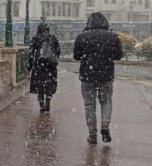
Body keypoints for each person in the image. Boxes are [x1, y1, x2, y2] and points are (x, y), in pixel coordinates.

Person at [73, 12, 123, 144]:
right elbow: (118, 56)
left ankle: (92, 133)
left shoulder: (82, 37)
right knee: (106, 101)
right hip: (106, 75)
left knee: (89, 105)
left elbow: (76, 56)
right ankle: (105, 126)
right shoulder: (112, 36)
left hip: (87, 75)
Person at [27, 22, 61, 113]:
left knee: (40, 84)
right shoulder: (53, 38)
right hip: (51, 66)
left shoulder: (35, 39)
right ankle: (48, 99)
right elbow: (58, 51)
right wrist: (53, 58)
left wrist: (29, 66)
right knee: (49, 83)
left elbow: (30, 53)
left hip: (39, 66)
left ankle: (41, 105)